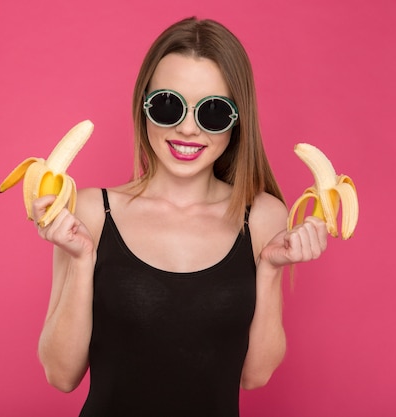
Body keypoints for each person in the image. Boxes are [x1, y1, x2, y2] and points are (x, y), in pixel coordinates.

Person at [29, 17, 328, 417]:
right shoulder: (87, 212)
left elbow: (255, 376)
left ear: (238, 121)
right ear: (144, 105)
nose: (188, 129)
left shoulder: (262, 218)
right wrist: (82, 260)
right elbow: (60, 375)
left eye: (214, 112)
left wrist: (271, 270)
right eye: (168, 105)